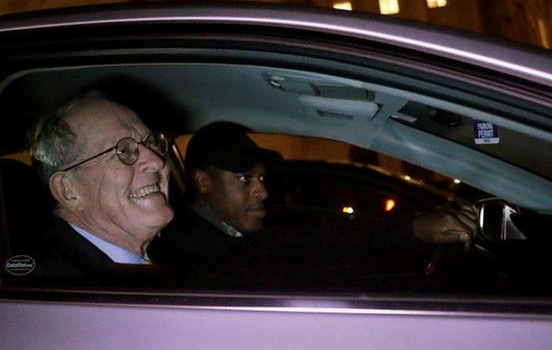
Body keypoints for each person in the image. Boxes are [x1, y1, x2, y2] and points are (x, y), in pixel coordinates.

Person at [149, 121, 478, 289]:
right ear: (203, 182)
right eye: (245, 179)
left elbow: (321, 244)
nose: (262, 192)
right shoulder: (191, 254)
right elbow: (313, 251)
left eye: (262, 178)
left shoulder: (231, 237)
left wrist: (415, 229)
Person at [28, 91, 173, 281]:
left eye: (151, 142)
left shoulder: (176, 255)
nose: (156, 161)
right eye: (123, 150)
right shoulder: (54, 290)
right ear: (68, 191)